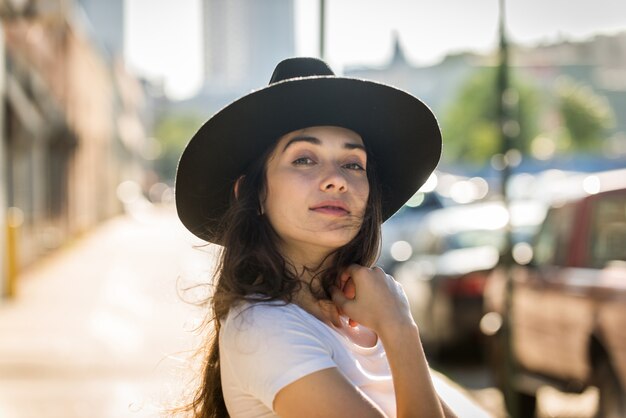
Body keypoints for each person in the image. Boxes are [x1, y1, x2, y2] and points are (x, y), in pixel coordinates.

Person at [175, 57, 457, 418]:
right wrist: (400, 327)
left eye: (353, 163)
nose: (337, 179)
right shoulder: (264, 327)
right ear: (254, 192)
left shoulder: (365, 315)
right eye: (305, 159)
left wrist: (391, 324)